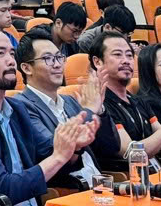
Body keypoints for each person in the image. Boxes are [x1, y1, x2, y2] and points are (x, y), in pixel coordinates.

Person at [0, 29, 98, 204]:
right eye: (0, 53)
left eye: (12, 53)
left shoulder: (16, 108)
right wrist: (59, 157)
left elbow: (48, 157)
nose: (11, 61)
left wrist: (74, 146)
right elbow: (3, 189)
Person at [10, 29, 105, 191]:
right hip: (70, 190)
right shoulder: (22, 105)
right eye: (47, 58)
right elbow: (50, 151)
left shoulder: (69, 101)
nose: (57, 64)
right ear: (26, 68)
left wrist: (100, 109)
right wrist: (90, 110)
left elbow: (107, 147)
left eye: (59, 57)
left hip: (100, 183)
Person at [86, 31, 161, 169]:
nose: (126, 60)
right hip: (126, 178)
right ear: (97, 62)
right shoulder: (100, 106)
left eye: (129, 55)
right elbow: (132, 153)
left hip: (156, 174)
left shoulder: (138, 101)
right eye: (117, 54)